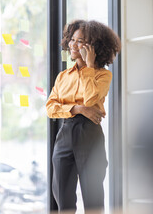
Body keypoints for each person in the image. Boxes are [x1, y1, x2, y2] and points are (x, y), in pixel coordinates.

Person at [46, 20, 121, 212]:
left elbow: (90, 101)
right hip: (65, 133)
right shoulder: (63, 76)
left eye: (80, 41)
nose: (73, 44)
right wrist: (78, 109)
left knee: (93, 197)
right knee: (62, 197)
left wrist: (89, 66)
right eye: (72, 39)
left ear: (94, 47)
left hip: (90, 135)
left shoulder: (102, 75)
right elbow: (50, 108)